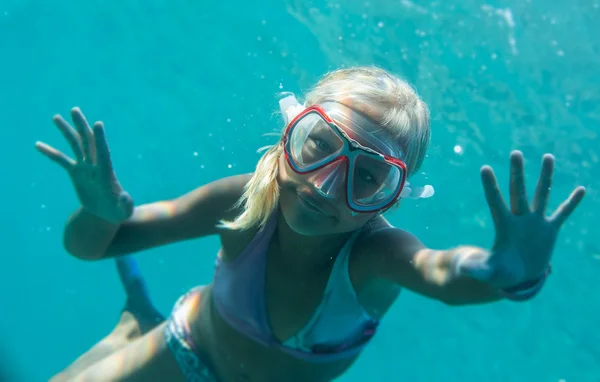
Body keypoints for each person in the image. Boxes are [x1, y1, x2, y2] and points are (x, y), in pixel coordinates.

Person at [36, 66, 585, 382]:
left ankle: (134, 320)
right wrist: (100, 215)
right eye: (317, 147)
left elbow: (441, 272)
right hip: (184, 350)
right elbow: (91, 246)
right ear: (287, 137)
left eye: (366, 178)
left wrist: (504, 270)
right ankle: (136, 328)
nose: (325, 186)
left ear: (391, 198)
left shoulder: (375, 255)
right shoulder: (244, 202)